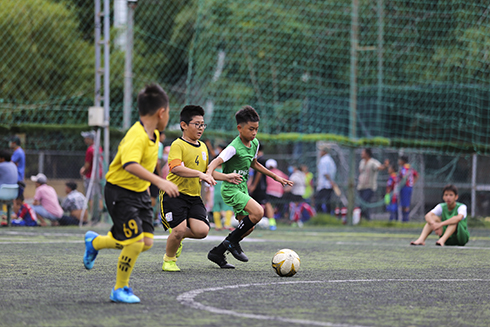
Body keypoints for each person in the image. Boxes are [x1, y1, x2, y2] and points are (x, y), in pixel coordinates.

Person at [82, 83, 179, 304]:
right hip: (119, 192)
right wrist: (159, 182)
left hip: (139, 193)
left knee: (145, 242)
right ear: (161, 112)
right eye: (169, 112)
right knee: (134, 242)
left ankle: (95, 243)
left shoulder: (154, 134)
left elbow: (145, 165)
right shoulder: (137, 135)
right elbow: (130, 164)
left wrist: (149, 187)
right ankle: (119, 288)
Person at [206, 106, 293, 269]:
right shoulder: (233, 147)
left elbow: (254, 163)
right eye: (251, 129)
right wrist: (209, 175)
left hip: (243, 188)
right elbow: (214, 163)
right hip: (231, 189)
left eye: (256, 129)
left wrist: (275, 177)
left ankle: (218, 252)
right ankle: (231, 243)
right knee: (259, 212)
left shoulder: (254, 144)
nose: (254, 133)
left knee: (248, 227)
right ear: (239, 128)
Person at [159, 105, 241, 272]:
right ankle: (169, 259)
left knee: (202, 231)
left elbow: (206, 172)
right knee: (179, 229)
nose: (201, 128)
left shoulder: (203, 147)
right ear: (184, 125)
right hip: (174, 194)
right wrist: (200, 174)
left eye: (203, 124)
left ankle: (177, 237)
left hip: (194, 197)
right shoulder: (178, 144)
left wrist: (226, 177)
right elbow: (175, 168)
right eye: (197, 124)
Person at [248, 147, 277, 230]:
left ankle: (272, 223)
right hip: (255, 186)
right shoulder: (254, 158)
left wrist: (254, 185)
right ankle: (249, 223)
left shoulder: (261, 159)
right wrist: (250, 183)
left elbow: (259, 173)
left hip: (260, 187)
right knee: (250, 204)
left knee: (266, 203)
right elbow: (252, 174)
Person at [357, 148, 388, 221]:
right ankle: (364, 220)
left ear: (367, 154)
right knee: (363, 203)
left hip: (369, 187)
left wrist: (385, 166)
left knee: (364, 203)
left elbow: (380, 167)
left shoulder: (373, 162)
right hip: (361, 186)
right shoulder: (362, 162)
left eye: (363, 152)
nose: (361, 154)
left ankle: (367, 219)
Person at [80, 130, 103, 218]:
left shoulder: (90, 149)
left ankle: (93, 216)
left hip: (91, 176)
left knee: (91, 197)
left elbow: (87, 165)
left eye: (86, 138)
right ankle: (99, 215)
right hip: (100, 175)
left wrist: (83, 171)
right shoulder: (99, 148)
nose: (85, 140)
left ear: (90, 139)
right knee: (99, 196)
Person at [315, 145, 337, 214]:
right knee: (327, 202)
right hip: (328, 185)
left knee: (319, 202)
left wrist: (331, 181)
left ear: (324, 151)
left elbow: (325, 173)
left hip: (324, 185)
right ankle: (328, 216)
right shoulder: (330, 160)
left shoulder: (324, 160)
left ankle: (321, 216)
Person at [398, 155, 419, 222]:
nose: (398, 161)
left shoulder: (404, 168)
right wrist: (412, 183)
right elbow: (417, 175)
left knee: (405, 204)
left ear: (403, 161)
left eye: (399, 160)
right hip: (409, 187)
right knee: (405, 203)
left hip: (405, 187)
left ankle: (405, 220)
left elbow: (404, 177)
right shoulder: (410, 168)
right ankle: (405, 219)